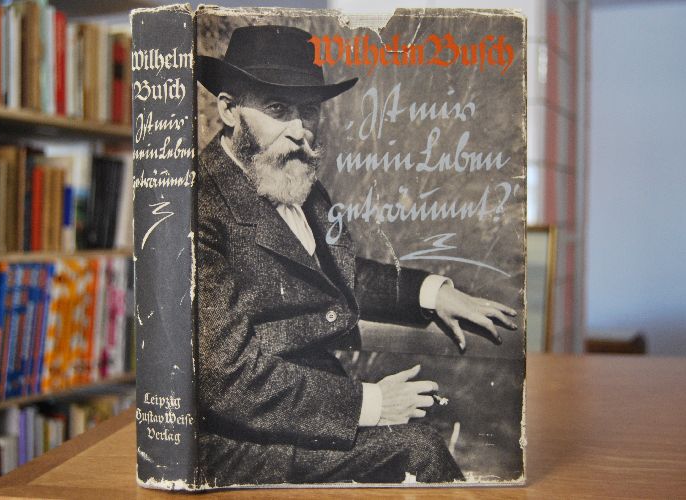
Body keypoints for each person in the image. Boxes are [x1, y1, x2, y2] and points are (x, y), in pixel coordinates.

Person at [195, 25, 517, 486]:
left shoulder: (294, 179)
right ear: (228, 110)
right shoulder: (201, 205)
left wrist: (431, 293)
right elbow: (227, 379)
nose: (299, 131)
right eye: (278, 109)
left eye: (308, 111)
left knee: (428, 438)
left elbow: (335, 275)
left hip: (309, 409)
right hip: (243, 440)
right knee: (419, 449)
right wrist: (372, 403)